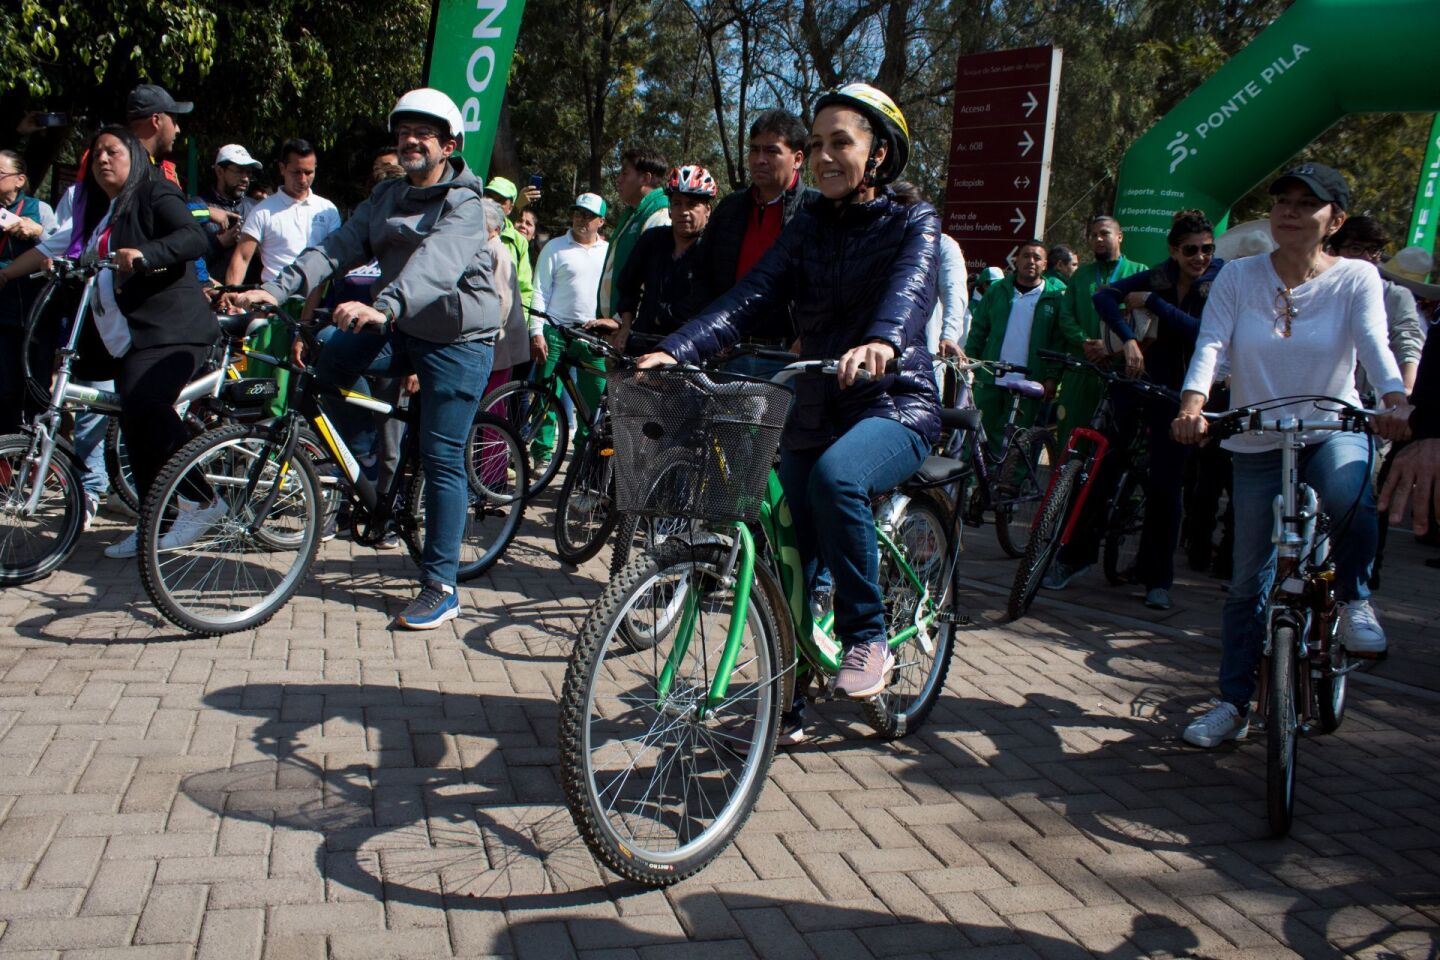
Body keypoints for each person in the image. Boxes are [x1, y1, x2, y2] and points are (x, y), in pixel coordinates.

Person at [637, 83, 940, 717]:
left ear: (879, 155)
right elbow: (752, 295)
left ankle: (868, 637)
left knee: (837, 480)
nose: (826, 156)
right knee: (788, 551)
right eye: (818, 144)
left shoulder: (914, 221)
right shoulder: (805, 227)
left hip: (893, 402)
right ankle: (792, 689)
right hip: (812, 403)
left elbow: (908, 294)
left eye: (842, 143)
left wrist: (881, 342)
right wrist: (678, 347)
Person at [229, 88, 499, 630]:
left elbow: (436, 265)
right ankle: (363, 478)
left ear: (449, 144)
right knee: (327, 364)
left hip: (458, 339)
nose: (411, 141)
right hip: (400, 326)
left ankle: (441, 585)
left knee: (442, 456)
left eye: (424, 133)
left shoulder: (467, 205)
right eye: (403, 133)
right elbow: (336, 248)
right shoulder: (386, 198)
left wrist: (384, 306)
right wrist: (277, 289)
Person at [1172, 163, 1407, 748]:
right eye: (1283, 201)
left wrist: (1396, 401)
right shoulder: (1239, 276)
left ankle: (1354, 600)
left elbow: (1375, 345)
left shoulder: (1355, 277)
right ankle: (1232, 704)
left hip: (1332, 427)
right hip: (1257, 437)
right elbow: (1213, 343)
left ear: (1336, 219)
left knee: (1349, 491)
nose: (1291, 212)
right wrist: (1193, 405)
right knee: (1248, 581)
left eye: (1308, 203)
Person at [0, 126, 222, 559]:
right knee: (134, 427)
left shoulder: (156, 192)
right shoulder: (101, 212)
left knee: (144, 406)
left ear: (134, 157)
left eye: (113, 151)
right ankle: (159, 523)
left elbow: (195, 238)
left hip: (173, 333)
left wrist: (145, 255)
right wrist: (12, 273)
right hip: (126, 341)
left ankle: (205, 500)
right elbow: (54, 247)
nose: (102, 159)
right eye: (96, 152)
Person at [1046, 210, 1224, 608]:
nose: (1200, 258)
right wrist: (1127, 339)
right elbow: (1102, 296)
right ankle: (1073, 558)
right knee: (1101, 470)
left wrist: (1156, 305)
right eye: (1191, 250)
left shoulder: (1219, 279)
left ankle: (1157, 578)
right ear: (1174, 251)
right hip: (1136, 384)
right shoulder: (1159, 274)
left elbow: (1204, 333)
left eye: (1207, 249)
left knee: (1165, 486)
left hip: (1180, 397)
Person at [689, 109, 818, 370]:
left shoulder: (818, 211)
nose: (760, 159)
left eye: (772, 151)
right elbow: (701, 275)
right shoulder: (730, 209)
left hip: (789, 356)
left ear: (798, 158)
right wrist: (713, 331)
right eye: (754, 150)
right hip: (728, 353)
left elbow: (831, 288)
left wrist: (807, 337)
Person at [226, 139, 342, 415]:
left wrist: (307, 319)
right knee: (266, 385)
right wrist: (233, 299)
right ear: (282, 169)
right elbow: (242, 257)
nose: (303, 179)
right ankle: (260, 444)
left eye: (309, 172)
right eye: (296, 172)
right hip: (274, 308)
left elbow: (332, 263)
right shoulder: (264, 210)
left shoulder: (326, 210)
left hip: (316, 307)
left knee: (308, 386)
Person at [1052, 216, 1148, 448]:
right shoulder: (1081, 275)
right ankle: (1067, 485)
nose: (1098, 239)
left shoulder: (1139, 272)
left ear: (1119, 236)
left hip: (1120, 372)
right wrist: (1085, 342)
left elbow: (1145, 324)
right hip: (1083, 369)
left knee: (1113, 444)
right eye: (1093, 235)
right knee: (1071, 440)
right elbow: (1066, 316)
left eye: (1104, 233)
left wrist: (1111, 349)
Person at [529, 193, 610, 458]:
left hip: (593, 336)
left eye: (588, 215)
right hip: (556, 332)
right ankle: (541, 453)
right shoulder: (554, 247)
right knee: (546, 395)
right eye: (577, 213)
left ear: (601, 221)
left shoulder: (609, 252)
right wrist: (537, 331)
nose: (581, 219)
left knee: (595, 399)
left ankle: (583, 457)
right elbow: (539, 290)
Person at [602, 165, 716, 352]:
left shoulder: (714, 250)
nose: (683, 211)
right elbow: (627, 286)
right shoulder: (652, 240)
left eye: (692, 204)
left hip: (689, 348)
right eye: (677, 203)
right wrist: (626, 326)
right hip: (641, 342)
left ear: (707, 210)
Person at [962, 240, 1064, 448]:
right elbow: (979, 329)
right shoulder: (998, 290)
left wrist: (1052, 377)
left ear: (1045, 264)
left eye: (1037, 258)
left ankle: (1010, 481)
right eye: (1026, 256)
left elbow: (1058, 341)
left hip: (1030, 382)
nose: (1031, 261)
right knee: (979, 438)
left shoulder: (1054, 297)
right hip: (991, 378)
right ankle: (971, 479)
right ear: (1017, 260)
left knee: (1018, 442)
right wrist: (970, 361)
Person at [1328, 215, 1424, 396]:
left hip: (1369, 405)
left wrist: (1406, 390)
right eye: (1356, 249)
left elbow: (1408, 342)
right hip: (1314, 401)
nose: (1367, 257)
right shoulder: (1319, 291)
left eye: (1374, 250)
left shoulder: (1395, 296)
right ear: (1332, 252)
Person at [0, 149, 59, 433]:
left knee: (36, 387)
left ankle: (39, 456)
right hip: (3, 316)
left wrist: (37, 233)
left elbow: (62, 251)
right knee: (4, 388)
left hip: (38, 316)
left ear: (19, 179)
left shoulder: (40, 210)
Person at [596, 145, 670, 322]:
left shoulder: (660, 215)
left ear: (645, 178)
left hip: (632, 328)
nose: (618, 180)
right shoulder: (632, 214)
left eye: (624, 173)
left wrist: (620, 320)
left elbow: (652, 279)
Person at [196, 144, 261, 282]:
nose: (245, 178)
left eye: (248, 172)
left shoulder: (258, 209)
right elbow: (186, 255)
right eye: (239, 171)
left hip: (250, 295)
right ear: (220, 171)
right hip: (209, 293)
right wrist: (217, 244)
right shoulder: (200, 208)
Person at [483, 177, 534, 311]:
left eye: (500, 200)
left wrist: (520, 324)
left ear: (511, 208)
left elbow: (523, 289)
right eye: (489, 196)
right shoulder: (464, 227)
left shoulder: (519, 242)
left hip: (503, 319)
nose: (492, 203)